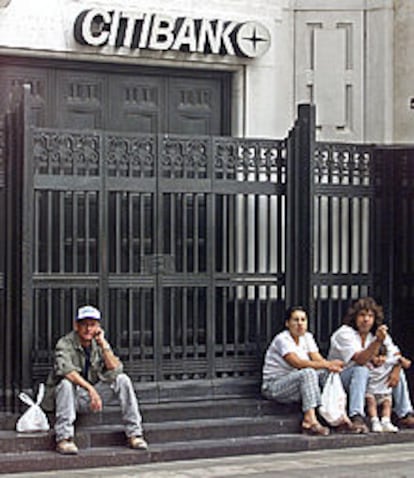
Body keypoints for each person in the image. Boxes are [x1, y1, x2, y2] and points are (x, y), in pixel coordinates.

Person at [43, 305, 148, 455]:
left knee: (122, 380)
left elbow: (116, 369)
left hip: (91, 398)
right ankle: (64, 438)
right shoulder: (65, 343)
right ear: (76, 326)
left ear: (98, 327)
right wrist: (91, 389)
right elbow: (67, 371)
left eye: (92, 325)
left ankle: (134, 434)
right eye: (84, 324)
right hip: (69, 398)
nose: (88, 329)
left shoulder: (98, 344)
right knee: (66, 384)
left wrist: (104, 345)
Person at [261, 306, 358, 436]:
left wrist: (330, 366)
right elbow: (297, 363)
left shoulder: (307, 337)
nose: (300, 323)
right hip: (275, 385)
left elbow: (317, 359)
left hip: (298, 383)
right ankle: (309, 420)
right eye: (296, 320)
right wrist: (327, 364)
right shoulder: (282, 339)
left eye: (303, 320)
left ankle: (339, 417)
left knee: (327, 374)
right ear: (287, 323)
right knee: (308, 372)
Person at [328, 296, 414, 434]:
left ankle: (405, 413)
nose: (366, 319)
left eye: (370, 316)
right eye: (362, 315)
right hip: (342, 378)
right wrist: (378, 342)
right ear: (355, 317)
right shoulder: (344, 333)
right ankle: (357, 416)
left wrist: (397, 368)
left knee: (396, 370)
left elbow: (396, 354)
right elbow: (360, 359)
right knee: (360, 370)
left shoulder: (376, 334)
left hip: (371, 379)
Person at [366, 343, 412, 433]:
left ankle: (386, 421)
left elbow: (405, 363)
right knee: (371, 404)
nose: (380, 359)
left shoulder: (387, 362)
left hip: (384, 392)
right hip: (371, 392)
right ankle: (375, 421)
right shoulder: (368, 365)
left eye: (382, 356)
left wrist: (402, 361)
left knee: (387, 405)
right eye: (376, 356)